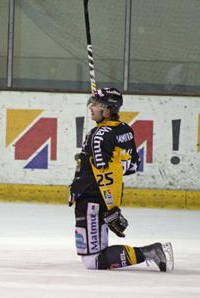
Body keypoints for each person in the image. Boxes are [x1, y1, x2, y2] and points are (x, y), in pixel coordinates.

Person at [69, 87, 174, 272]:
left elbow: (105, 174)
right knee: (97, 253)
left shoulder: (99, 136)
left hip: (91, 199)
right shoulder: (124, 129)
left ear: (107, 109)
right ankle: (150, 252)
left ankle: (151, 252)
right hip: (98, 197)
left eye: (95, 105)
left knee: (93, 261)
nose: (91, 108)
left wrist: (111, 207)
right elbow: (130, 165)